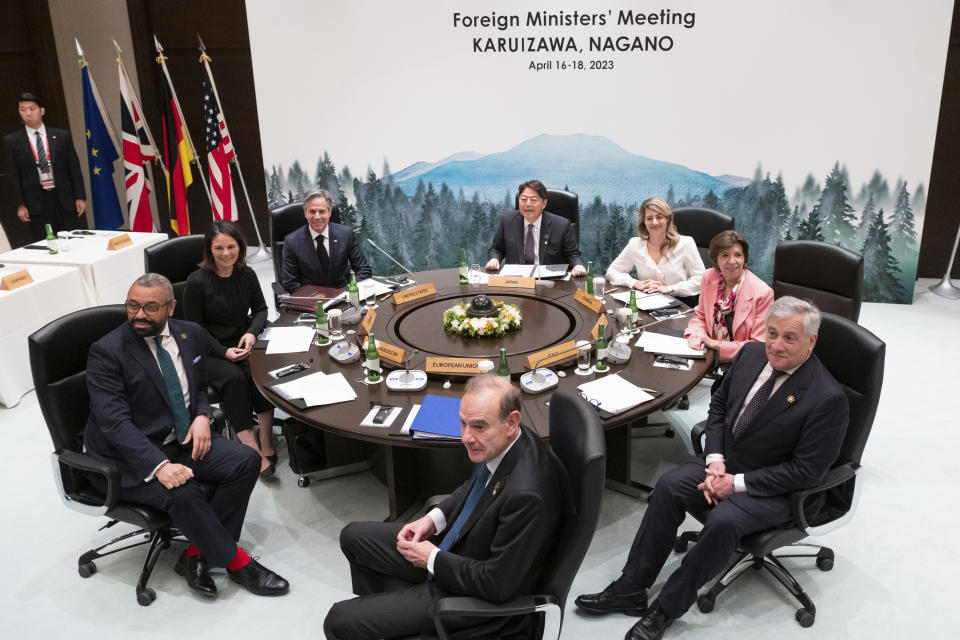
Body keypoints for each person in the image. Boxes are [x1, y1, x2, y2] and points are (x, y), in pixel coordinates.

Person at [574, 297, 848, 640]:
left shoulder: (827, 399)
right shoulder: (750, 355)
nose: (776, 345)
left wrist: (734, 483)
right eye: (772, 333)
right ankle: (632, 586)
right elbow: (718, 409)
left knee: (723, 521)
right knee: (669, 485)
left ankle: (666, 609)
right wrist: (715, 461)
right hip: (726, 462)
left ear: (812, 341)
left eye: (789, 338)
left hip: (776, 488)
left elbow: (806, 472)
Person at [84, 273, 289, 598]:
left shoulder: (189, 333)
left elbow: (197, 387)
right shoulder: (107, 352)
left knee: (246, 460)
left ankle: (195, 554)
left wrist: (202, 416)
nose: (139, 314)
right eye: (132, 305)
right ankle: (238, 563)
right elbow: (115, 424)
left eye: (150, 307)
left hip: (178, 438)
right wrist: (159, 467)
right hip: (126, 458)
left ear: (170, 307)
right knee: (183, 491)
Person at [324, 374, 570, 640]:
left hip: (472, 596)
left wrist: (431, 558)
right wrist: (432, 519)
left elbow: (496, 584)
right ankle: (391, 617)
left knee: (338, 622)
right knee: (352, 537)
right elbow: (474, 486)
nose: (466, 437)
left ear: (511, 422)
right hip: (459, 546)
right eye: (463, 423)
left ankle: (396, 618)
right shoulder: (504, 440)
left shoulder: (527, 495)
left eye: (477, 427)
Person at [183, 221, 277, 478]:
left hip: (240, 338)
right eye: (219, 248)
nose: (226, 253)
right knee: (234, 378)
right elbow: (194, 328)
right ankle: (252, 451)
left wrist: (250, 333)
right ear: (209, 250)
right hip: (208, 348)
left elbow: (260, 310)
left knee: (260, 369)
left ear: (241, 247)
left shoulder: (246, 274)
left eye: (231, 246)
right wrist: (223, 351)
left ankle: (266, 439)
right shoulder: (196, 282)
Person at [3, 92, 86, 242]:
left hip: (63, 197)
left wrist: (80, 196)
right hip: (35, 200)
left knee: (72, 241)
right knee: (45, 242)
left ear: (42, 111)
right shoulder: (12, 141)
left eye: (32, 109)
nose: (27, 113)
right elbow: (14, 175)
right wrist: (20, 204)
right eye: (22, 109)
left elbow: (73, 167)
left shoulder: (61, 136)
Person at [685, 230, 773, 364]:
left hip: (744, 362)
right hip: (708, 354)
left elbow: (757, 345)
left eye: (738, 255)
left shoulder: (763, 293)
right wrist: (695, 335)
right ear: (716, 259)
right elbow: (700, 316)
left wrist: (714, 343)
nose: (732, 261)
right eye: (725, 255)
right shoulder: (709, 277)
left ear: (745, 258)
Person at [485, 179, 587, 276]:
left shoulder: (561, 225)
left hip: (550, 282)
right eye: (523, 199)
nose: (528, 204)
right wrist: (494, 259)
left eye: (533, 200)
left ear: (544, 203)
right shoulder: (507, 221)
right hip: (516, 280)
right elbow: (497, 249)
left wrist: (578, 266)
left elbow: (573, 254)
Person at [606, 197, 703, 296]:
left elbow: (700, 280)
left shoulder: (686, 243)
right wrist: (635, 283)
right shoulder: (635, 244)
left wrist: (669, 289)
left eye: (659, 217)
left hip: (680, 304)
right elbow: (612, 272)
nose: (654, 222)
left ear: (667, 219)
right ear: (644, 221)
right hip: (647, 303)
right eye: (649, 218)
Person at [280, 188, 372, 292]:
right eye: (312, 211)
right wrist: (313, 299)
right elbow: (290, 282)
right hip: (312, 300)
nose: (317, 216)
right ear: (305, 213)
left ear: (329, 213)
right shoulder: (292, 241)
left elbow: (364, 270)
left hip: (343, 295)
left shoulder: (346, 234)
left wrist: (348, 290)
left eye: (322, 211)